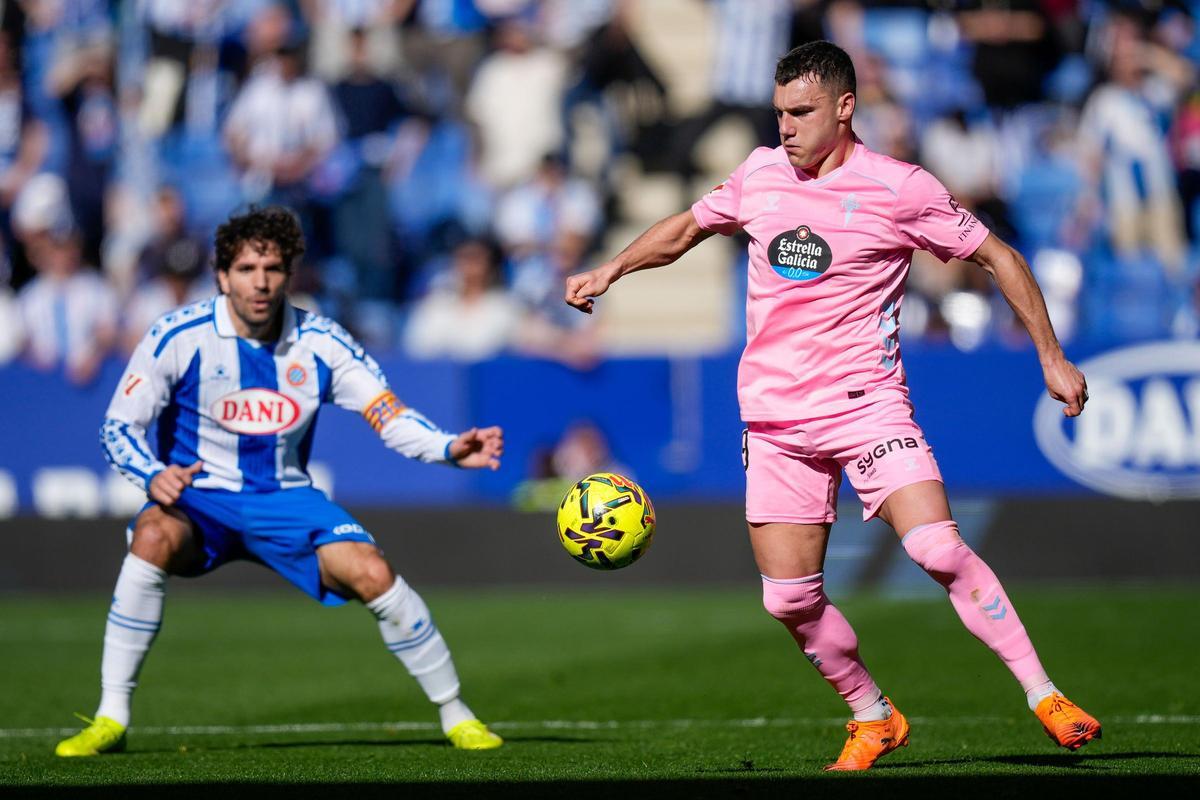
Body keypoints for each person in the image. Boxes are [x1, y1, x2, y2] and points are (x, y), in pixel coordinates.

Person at [565, 41, 1100, 771]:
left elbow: (999, 257)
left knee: (938, 549)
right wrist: (612, 268)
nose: (786, 127)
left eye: (802, 112)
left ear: (845, 108)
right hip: (775, 421)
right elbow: (687, 229)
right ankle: (873, 715)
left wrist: (1050, 356)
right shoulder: (760, 173)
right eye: (779, 113)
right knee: (789, 602)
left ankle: (1045, 694)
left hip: (867, 405)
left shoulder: (900, 188)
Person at [56, 206, 505, 757]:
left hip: (286, 498)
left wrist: (448, 448)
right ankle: (111, 717)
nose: (261, 282)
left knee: (372, 572)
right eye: (247, 269)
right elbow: (118, 426)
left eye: (272, 269)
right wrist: (153, 475)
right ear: (222, 276)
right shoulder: (178, 335)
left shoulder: (322, 341)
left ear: (290, 274)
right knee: (151, 536)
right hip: (199, 501)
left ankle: (457, 714)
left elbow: (387, 414)